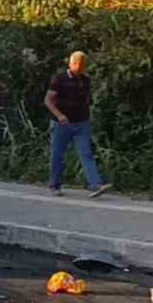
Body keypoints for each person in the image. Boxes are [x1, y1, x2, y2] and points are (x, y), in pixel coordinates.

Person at [44, 51, 112, 199]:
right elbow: (48, 100)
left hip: (81, 122)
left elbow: (86, 101)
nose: (78, 67)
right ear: (70, 63)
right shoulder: (59, 79)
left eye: (81, 65)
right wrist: (59, 115)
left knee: (86, 153)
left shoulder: (86, 80)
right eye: (76, 64)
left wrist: (88, 118)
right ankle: (55, 185)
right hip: (61, 123)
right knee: (58, 154)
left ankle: (95, 185)